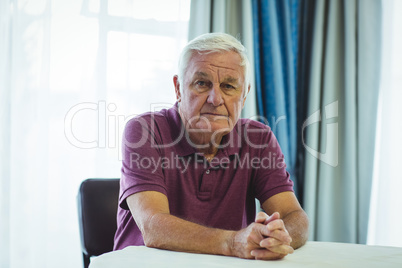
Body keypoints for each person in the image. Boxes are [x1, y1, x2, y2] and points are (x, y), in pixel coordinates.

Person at [113, 33, 309, 260]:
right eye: (202, 84)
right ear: (178, 88)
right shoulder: (144, 130)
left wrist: (278, 237)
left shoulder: (258, 138)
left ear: (244, 96)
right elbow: (153, 226)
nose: (215, 99)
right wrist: (233, 242)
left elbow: (294, 215)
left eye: (228, 86)